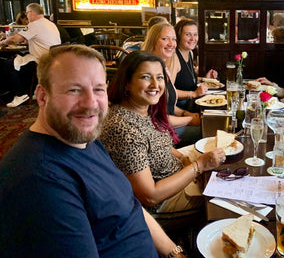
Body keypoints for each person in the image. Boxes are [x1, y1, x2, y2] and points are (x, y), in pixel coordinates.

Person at [0, 45, 186, 258]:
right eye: (74, 90)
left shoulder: (85, 140)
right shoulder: (40, 180)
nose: (91, 104)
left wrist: (175, 253)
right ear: (42, 96)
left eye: (98, 89)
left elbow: (131, 205)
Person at [100, 51, 225, 214]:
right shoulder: (124, 128)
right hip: (164, 202)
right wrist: (198, 166)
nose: (155, 85)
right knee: (225, 199)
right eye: (145, 77)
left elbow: (160, 144)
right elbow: (150, 196)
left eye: (159, 77)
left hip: (177, 171)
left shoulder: (142, 109)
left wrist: (185, 159)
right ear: (127, 83)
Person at [142, 22, 202, 147]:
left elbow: (168, 104)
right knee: (206, 132)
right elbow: (156, 119)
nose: (171, 43)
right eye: (165, 39)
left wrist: (186, 114)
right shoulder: (148, 71)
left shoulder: (164, 69)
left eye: (173, 39)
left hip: (168, 124)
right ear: (153, 41)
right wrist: (190, 120)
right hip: (157, 134)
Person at [0, 3, 61, 107]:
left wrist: (2, 42)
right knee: (16, 60)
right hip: (52, 59)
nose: (27, 16)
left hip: (40, 60)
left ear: (31, 13)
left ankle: (20, 94)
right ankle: (30, 91)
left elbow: (15, 39)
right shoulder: (49, 23)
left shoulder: (35, 24)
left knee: (7, 65)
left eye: (27, 13)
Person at [168, 19, 217, 111]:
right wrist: (193, 94)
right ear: (178, 36)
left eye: (195, 34)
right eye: (188, 34)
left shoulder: (190, 53)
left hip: (192, 103)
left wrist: (205, 79)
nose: (193, 39)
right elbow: (168, 91)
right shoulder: (174, 57)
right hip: (180, 108)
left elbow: (185, 79)